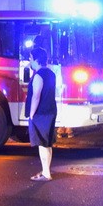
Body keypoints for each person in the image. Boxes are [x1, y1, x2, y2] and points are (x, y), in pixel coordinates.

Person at [27, 46, 57, 181]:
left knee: (42, 143)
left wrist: (31, 114)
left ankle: (46, 174)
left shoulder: (38, 75)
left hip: (41, 113)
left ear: (36, 60)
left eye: (31, 59)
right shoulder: (51, 73)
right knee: (47, 143)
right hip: (50, 110)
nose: (29, 62)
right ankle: (46, 170)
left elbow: (36, 96)